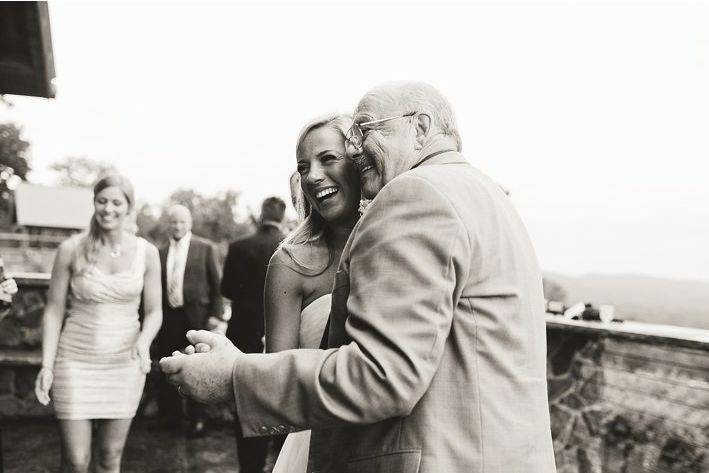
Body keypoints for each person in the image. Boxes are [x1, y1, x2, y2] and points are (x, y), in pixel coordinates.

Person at [161, 82, 557, 473]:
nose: (356, 148)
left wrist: (234, 376)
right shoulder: (490, 197)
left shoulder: (417, 194)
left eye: (366, 130)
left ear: (420, 127)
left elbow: (382, 376)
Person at [34, 174, 162, 473]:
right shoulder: (70, 249)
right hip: (75, 362)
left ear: (129, 207)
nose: (108, 209)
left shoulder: (148, 253)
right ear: (94, 203)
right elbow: (53, 311)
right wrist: (47, 364)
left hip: (124, 364)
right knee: (76, 461)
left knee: (109, 458)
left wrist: (143, 342)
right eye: (102, 201)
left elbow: (155, 311)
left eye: (117, 202)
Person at [268, 114, 361, 473]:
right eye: (303, 167)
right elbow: (276, 381)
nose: (313, 176)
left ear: (360, 162)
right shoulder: (290, 263)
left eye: (328, 159)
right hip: (314, 446)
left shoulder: (392, 252)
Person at [220, 196, 286, 472]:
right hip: (281, 334)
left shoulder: (238, 247)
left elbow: (227, 290)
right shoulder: (291, 245)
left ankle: (250, 466)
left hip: (243, 335)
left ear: (261, 214)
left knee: (245, 402)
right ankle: (281, 460)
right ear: (281, 217)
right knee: (281, 399)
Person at [154, 204, 223, 438]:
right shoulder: (160, 251)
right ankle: (171, 417)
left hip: (197, 318)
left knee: (196, 367)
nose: (177, 226)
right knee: (167, 367)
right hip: (168, 318)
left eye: (182, 222)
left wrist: (216, 315)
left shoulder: (205, 248)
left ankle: (198, 419)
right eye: (173, 222)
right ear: (168, 224)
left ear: (189, 223)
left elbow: (217, 286)